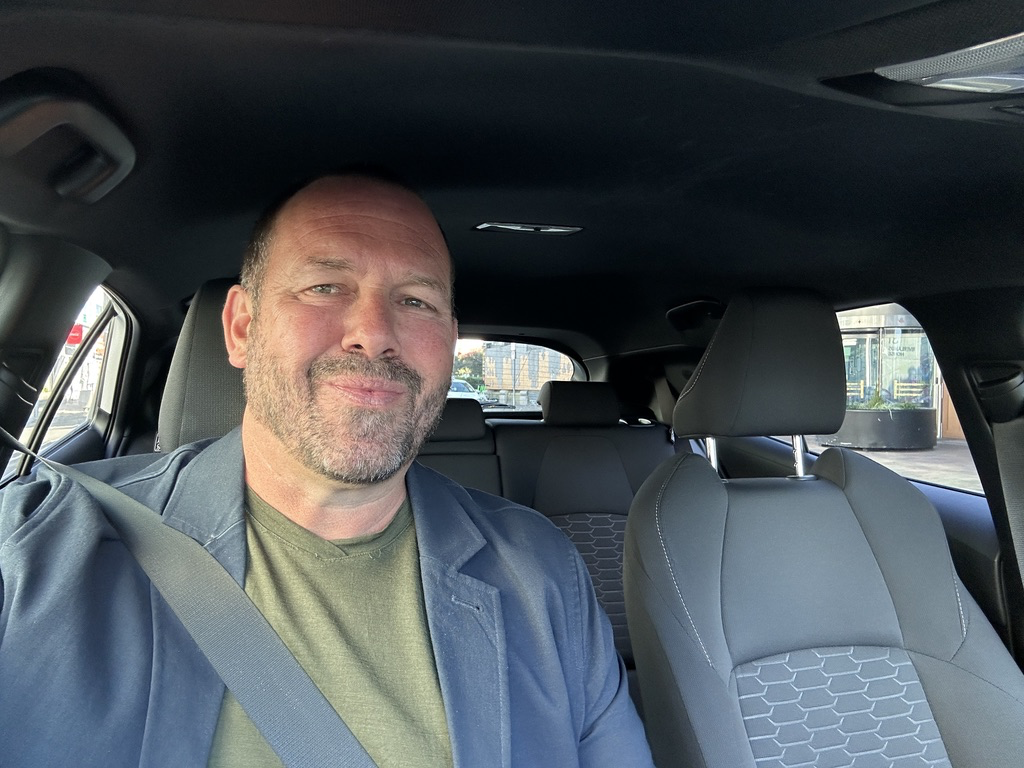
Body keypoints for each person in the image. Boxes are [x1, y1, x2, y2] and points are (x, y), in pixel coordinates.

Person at [0, 175, 653, 766]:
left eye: (416, 300)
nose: (374, 332)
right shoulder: (34, 551)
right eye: (325, 287)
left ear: (450, 345)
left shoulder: (541, 573)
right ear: (242, 327)